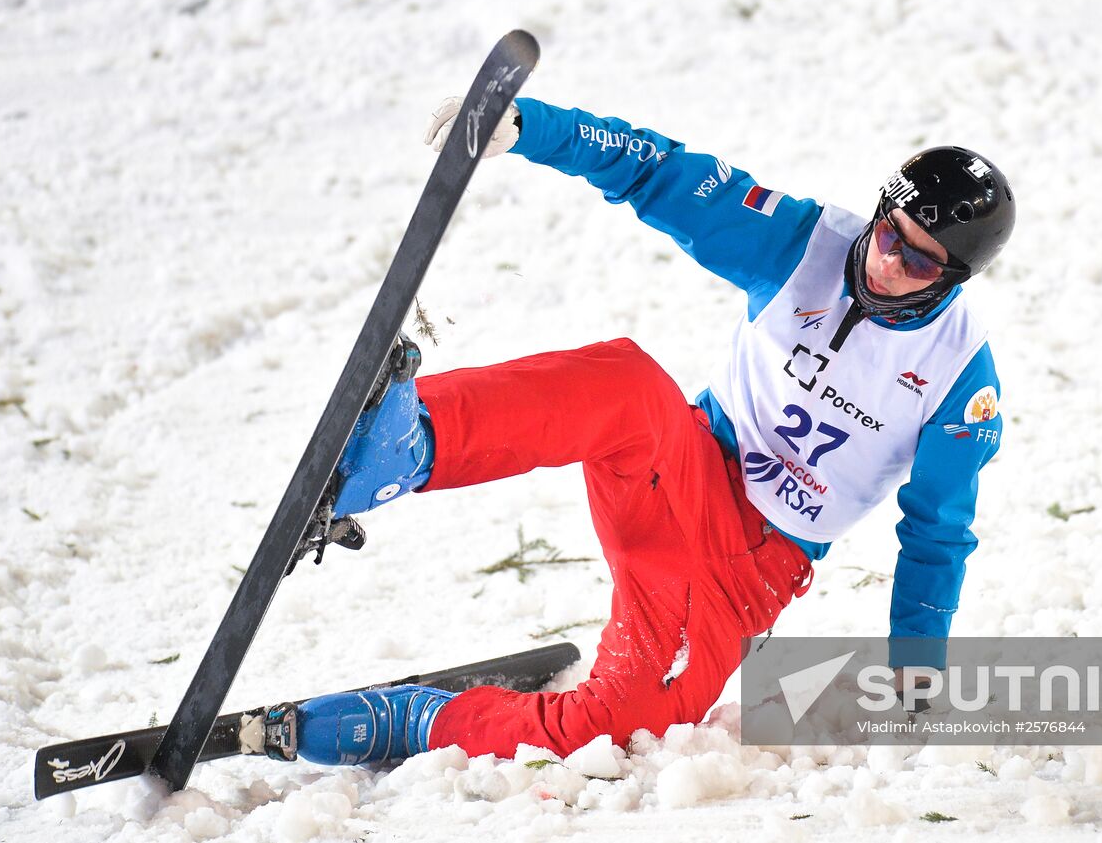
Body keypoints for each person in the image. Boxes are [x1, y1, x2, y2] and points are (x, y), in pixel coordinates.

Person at [261, 96, 1014, 766]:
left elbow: (936, 534)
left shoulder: (959, 382)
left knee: (622, 728)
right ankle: (403, 445)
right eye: (890, 230)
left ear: (952, 280)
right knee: (627, 385)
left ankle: (425, 721)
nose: (886, 260)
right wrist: (529, 128)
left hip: (743, 575)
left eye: (918, 259)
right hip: (681, 466)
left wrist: (917, 679)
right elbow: (665, 175)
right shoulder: (802, 241)